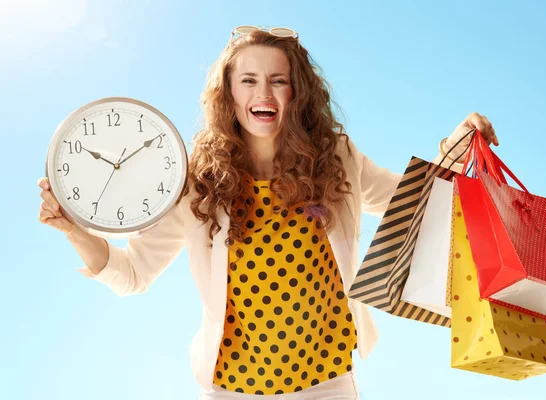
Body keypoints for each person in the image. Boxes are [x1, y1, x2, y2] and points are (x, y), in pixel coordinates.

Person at [37, 26, 498, 400]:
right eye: (249, 80)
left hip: (327, 383)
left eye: (278, 80)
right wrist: (72, 229)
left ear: (297, 91)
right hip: (231, 388)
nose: (266, 92)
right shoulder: (197, 182)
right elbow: (132, 273)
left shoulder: (335, 158)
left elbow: (413, 201)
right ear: (229, 94)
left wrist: (454, 148)